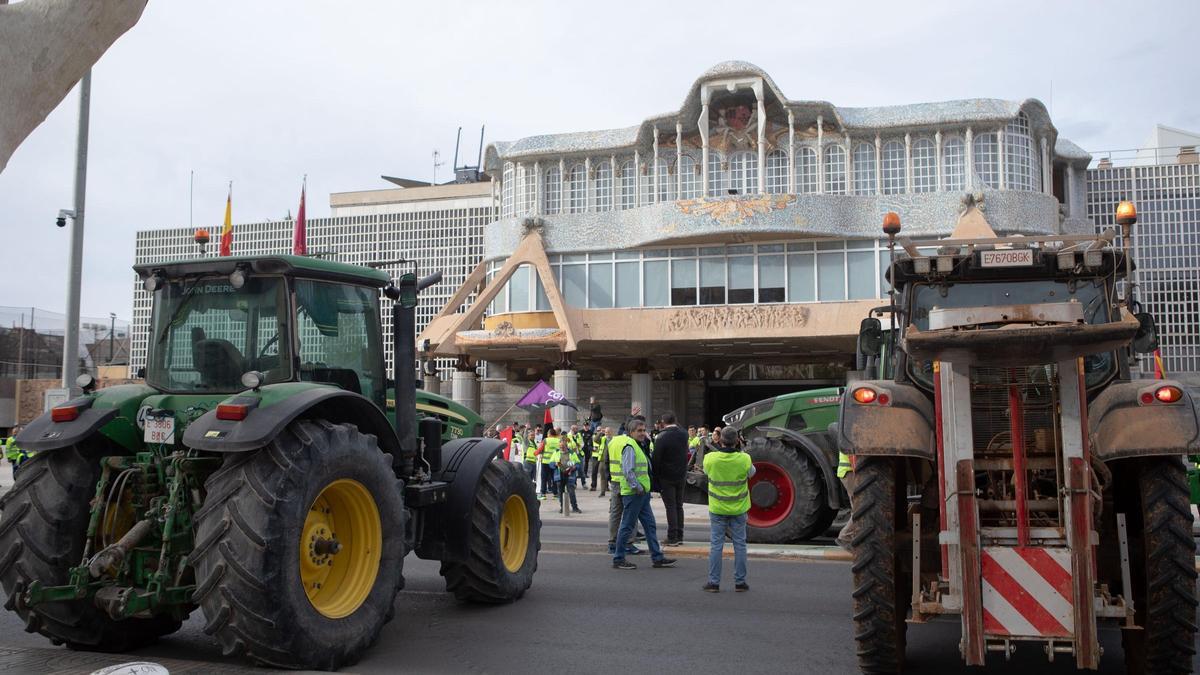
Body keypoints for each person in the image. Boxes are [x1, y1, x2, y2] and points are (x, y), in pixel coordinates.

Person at [611, 418, 675, 571]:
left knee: (650, 525)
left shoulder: (639, 445)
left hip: (642, 494)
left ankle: (657, 557)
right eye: (639, 431)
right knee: (627, 526)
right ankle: (618, 558)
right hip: (634, 494)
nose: (642, 433)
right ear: (631, 432)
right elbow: (628, 471)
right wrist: (638, 487)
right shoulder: (630, 447)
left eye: (643, 430)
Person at [702, 427, 754, 592]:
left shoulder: (710, 459)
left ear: (720, 440)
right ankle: (740, 582)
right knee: (740, 545)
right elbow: (752, 473)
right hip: (739, 509)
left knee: (716, 545)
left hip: (717, 509)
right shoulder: (744, 459)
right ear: (737, 441)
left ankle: (713, 582)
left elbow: (705, 472)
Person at [651, 411, 689, 546]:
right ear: (676, 420)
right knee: (679, 506)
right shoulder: (684, 434)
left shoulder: (661, 437)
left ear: (663, 422)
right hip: (681, 474)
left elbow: (656, 459)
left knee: (670, 507)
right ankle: (680, 535)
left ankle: (672, 537)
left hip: (666, 476)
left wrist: (655, 476)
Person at [552, 435, 582, 514]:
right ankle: (562, 508)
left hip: (570, 475)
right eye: (560, 446)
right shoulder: (556, 452)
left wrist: (575, 467)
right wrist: (555, 464)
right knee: (560, 492)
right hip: (559, 475)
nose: (561, 448)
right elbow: (550, 463)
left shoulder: (572, 453)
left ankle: (575, 508)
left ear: (566, 445)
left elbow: (578, 463)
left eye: (563, 446)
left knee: (571, 491)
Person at [836, 449, 856, 550]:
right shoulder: (850, 442)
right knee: (859, 509)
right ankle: (845, 536)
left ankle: (852, 537)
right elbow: (852, 457)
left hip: (847, 473)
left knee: (857, 507)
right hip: (849, 473)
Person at [539, 428, 562, 498]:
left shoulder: (545, 440)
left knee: (544, 478)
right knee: (554, 478)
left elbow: (540, 450)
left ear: (549, 434)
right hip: (554, 462)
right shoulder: (559, 440)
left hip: (545, 462)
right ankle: (555, 494)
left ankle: (543, 494)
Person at [589, 427, 608, 491]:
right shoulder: (593, 437)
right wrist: (592, 449)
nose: (599, 431)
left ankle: (606, 486)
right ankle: (593, 486)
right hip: (595, 456)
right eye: (598, 430)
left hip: (603, 457)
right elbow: (589, 446)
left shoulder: (605, 437)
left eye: (600, 430)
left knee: (604, 472)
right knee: (594, 472)